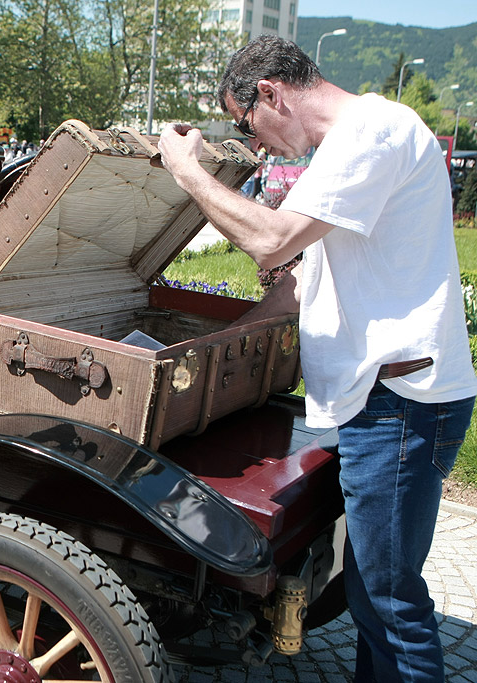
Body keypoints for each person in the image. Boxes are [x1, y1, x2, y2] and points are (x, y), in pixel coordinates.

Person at [157, 35, 477, 683]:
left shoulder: (373, 132)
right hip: (385, 401)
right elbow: (300, 283)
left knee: (388, 601)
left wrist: (186, 169)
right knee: (372, 590)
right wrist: (208, 349)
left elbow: (272, 243)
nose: (258, 144)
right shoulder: (349, 145)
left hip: (399, 407)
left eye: (249, 124)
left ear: (271, 93)